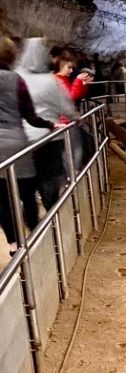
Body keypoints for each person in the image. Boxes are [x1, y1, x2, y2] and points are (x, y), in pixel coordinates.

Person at [0, 37, 57, 251]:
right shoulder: (16, 80)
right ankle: (34, 235)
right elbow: (31, 116)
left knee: (2, 199)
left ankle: (14, 244)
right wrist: (51, 125)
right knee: (26, 191)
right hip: (16, 141)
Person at [16, 38, 77, 212]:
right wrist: (76, 118)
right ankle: (53, 212)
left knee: (29, 177)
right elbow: (66, 106)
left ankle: (31, 216)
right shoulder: (50, 81)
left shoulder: (17, 78)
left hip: (25, 137)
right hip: (49, 136)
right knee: (49, 176)